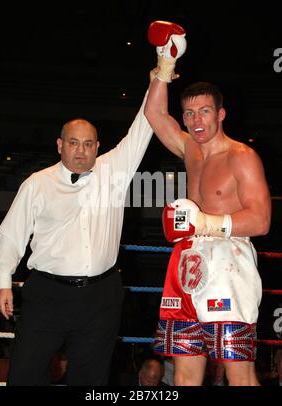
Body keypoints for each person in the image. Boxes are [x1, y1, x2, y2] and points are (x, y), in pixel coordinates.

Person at [0, 87, 153, 385]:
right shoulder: (37, 184)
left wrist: (162, 75)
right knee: (24, 375)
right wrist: (3, 283)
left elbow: (144, 124)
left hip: (101, 296)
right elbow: (12, 236)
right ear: (60, 145)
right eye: (74, 143)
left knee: (91, 381)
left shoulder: (114, 171)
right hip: (47, 296)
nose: (81, 150)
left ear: (97, 146)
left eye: (88, 144)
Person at [145, 21, 271, 385]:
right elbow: (155, 115)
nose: (194, 120)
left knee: (238, 371)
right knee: (184, 370)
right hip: (187, 262)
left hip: (228, 264)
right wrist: (164, 65)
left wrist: (205, 223)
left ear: (220, 114)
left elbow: (261, 220)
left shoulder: (241, 156)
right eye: (188, 113)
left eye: (203, 112)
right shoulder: (190, 150)